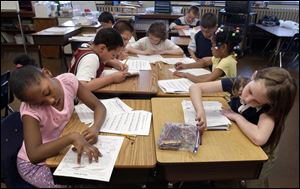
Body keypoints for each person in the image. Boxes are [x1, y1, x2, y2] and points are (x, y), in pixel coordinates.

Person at [9, 54, 107, 188]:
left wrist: (95, 127)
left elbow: (99, 106)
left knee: (97, 173)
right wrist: (71, 138)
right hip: (36, 166)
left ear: (47, 73)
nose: (50, 101)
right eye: (41, 103)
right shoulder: (30, 111)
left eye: (47, 92)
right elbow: (34, 155)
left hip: (60, 152)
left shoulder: (68, 82)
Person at [189, 67, 297, 187]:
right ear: (254, 76)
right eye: (250, 91)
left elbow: (259, 138)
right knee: (227, 175)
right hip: (241, 140)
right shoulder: (238, 83)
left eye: (257, 101)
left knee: (253, 183)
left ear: (270, 103)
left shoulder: (270, 109)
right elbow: (195, 87)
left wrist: (237, 117)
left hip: (261, 154)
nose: (247, 99)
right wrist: (200, 111)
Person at [69, 28, 130, 92]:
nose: (113, 58)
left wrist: (111, 62)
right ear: (102, 48)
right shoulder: (91, 58)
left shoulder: (88, 46)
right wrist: (112, 78)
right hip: (76, 100)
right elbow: (82, 86)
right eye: (113, 55)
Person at [174, 25, 242, 83]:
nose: (211, 48)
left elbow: (206, 80)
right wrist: (185, 66)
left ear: (223, 47)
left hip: (224, 96)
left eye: (212, 45)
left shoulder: (227, 61)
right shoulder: (220, 56)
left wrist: (186, 75)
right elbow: (204, 63)